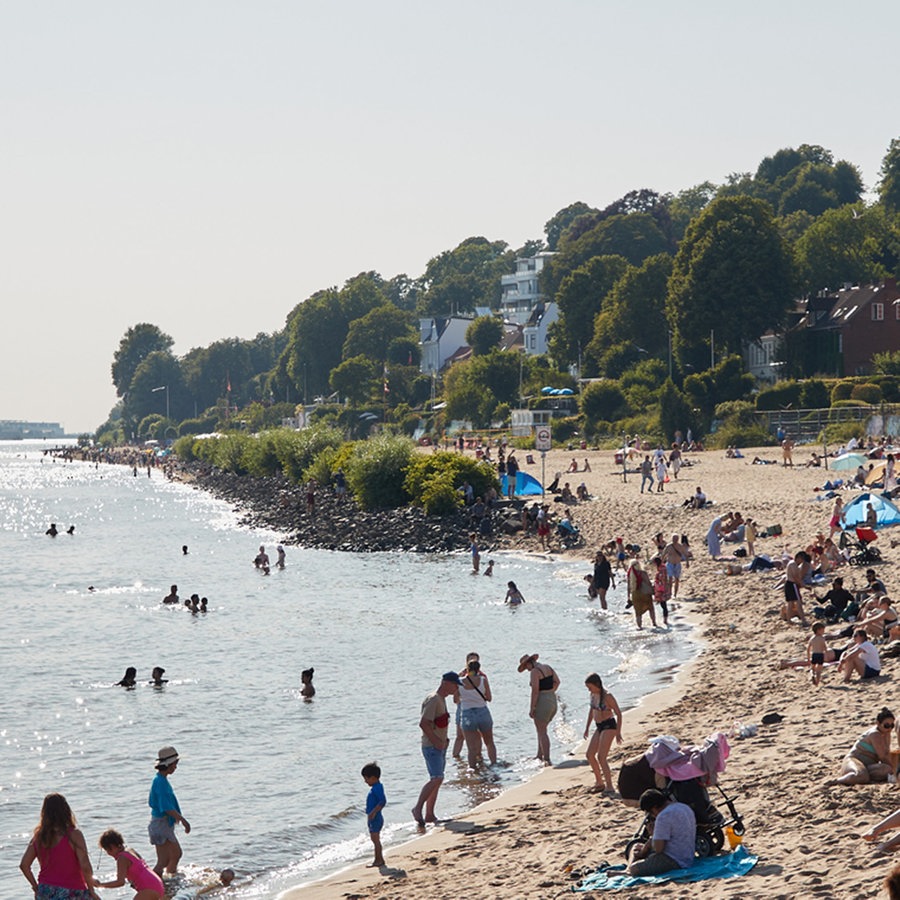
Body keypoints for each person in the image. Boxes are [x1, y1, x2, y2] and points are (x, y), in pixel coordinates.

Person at [19, 793, 98, 899]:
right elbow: (85, 866)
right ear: (66, 811)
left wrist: (36, 887)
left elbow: (24, 865)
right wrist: (91, 890)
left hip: (45, 890)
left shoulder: (39, 837)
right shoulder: (74, 834)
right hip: (72, 890)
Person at [411, 672, 461, 828]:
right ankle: (417, 808)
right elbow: (424, 723)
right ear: (446, 683)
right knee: (436, 778)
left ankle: (430, 814)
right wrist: (436, 741)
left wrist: (444, 740)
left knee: (437, 780)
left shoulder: (441, 700)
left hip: (439, 745)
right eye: (454, 685)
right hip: (431, 746)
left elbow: (438, 723)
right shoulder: (433, 700)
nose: (456, 689)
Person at [627, 788, 696, 876]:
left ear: (654, 808)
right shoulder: (684, 807)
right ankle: (628, 869)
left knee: (634, 868)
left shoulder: (663, 816)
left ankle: (628, 870)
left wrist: (653, 835)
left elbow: (658, 849)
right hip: (688, 856)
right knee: (636, 847)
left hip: (672, 860)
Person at [148, 746, 190, 878]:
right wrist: (183, 820)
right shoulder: (160, 782)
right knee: (174, 855)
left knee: (166, 859)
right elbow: (165, 807)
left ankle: (166, 880)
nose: (176, 767)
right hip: (161, 824)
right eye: (175, 764)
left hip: (160, 824)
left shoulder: (160, 780)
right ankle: (157, 881)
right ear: (168, 764)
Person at [830, 707, 895, 784]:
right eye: (886, 725)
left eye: (892, 725)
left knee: (886, 769)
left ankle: (862, 775)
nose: (889, 728)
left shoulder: (886, 734)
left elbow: (886, 754)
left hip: (869, 765)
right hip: (854, 760)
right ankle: (837, 781)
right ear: (878, 723)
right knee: (861, 776)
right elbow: (883, 756)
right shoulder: (875, 734)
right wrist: (895, 771)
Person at [95, 829, 164, 899]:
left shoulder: (122, 858)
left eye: (107, 850)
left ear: (112, 846)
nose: (108, 854)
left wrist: (100, 885)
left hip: (149, 888)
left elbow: (120, 882)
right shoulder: (130, 850)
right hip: (157, 883)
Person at [582, 673, 622, 792]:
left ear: (597, 684)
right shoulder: (593, 695)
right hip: (599, 726)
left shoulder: (608, 696)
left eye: (590, 686)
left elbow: (618, 713)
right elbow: (592, 710)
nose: (588, 689)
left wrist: (618, 733)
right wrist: (587, 727)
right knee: (589, 755)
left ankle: (610, 786)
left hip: (609, 725)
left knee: (601, 757)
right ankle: (599, 782)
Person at [518, 653, 560, 766]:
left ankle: (547, 759)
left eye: (526, 667)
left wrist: (532, 708)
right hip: (552, 700)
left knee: (542, 732)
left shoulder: (534, 672)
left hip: (542, 701)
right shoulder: (548, 667)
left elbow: (535, 691)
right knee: (542, 729)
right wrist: (550, 691)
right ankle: (539, 755)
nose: (526, 670)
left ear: (528, 663)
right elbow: (557, 681)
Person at [458, 657, 496, 766]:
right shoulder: (483, 680)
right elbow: (489, 698)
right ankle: (494, 765)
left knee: (471, 748)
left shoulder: (459, 682)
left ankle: (473, 770)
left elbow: (456, 699)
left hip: (467, 714)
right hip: (482, 712)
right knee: (489, 742)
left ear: (467, 669)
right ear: (479, 669)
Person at [361, 762, 386, 868]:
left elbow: (383, 801)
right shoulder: (376, 787)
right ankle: (379, 859)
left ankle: (378, 860)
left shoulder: (377, 788)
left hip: (375, 818)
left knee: (375, 840)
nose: (365, 781)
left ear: (373, 777)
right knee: (375, 839)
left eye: (366, 778)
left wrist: (374, 812)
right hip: (373, 817)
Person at [626, 558, 657, 629]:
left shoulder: (629, 575)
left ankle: (639, 627)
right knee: (651, 608)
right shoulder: (643, 573)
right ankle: (654, 623)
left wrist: (628, 597)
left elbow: (628, 587)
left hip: (635, 594)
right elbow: (648, 583)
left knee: (638, 612)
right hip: (645, 593)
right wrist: (653, 591)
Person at [662, 533, 688, 600]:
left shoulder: (680, 546)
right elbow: (663, 554)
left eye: (676, 539)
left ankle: (675, 593)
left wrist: (687, 563)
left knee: (677, 579)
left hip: (677, 564)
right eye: (674, 539)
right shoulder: (669, 546)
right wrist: (662, 563)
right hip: (670, 563)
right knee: (670, 579)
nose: (675, 540)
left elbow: (686, 554)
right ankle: (670, 593)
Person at [807, 622, 829, 686]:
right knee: (819, 670)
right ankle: (817, 682)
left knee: (812, 668)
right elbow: (824, 647)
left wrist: (808, 657)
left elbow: (808, 649)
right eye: (823, 630)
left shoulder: (812, 638)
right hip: (820, 654)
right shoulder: (822, 638)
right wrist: (827, 655)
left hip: (814, 654)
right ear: (818, 630)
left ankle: (812, 675)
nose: (823, 632)